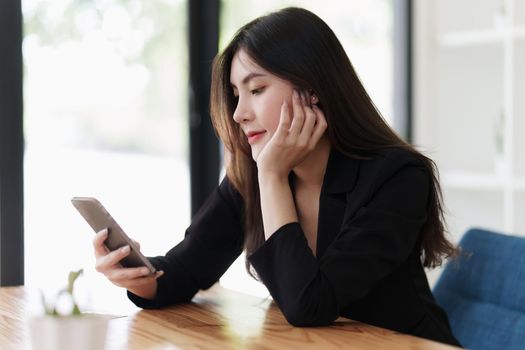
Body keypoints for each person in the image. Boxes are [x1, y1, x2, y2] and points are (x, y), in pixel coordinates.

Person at [92, 7, 461, 347]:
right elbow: (187, 268)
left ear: (313, 89)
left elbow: (309, 306)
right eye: (236, 95)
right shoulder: (252, 174)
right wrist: (141, 277)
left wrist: (272, 175)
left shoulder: (398, 177)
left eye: (256, 90)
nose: (239, 114)